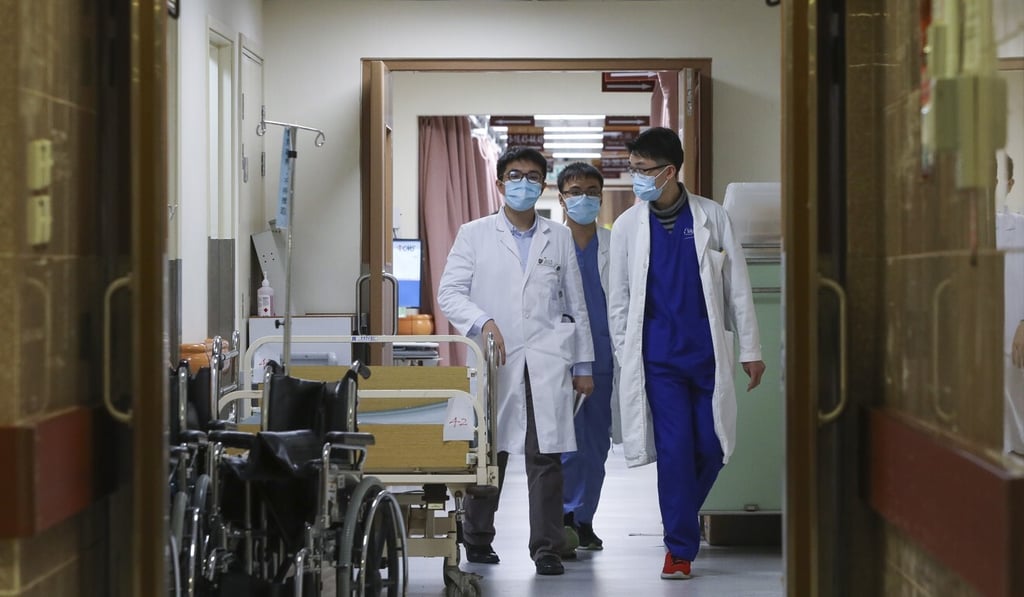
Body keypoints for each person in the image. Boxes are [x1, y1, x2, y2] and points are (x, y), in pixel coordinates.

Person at [607, 127, 766, 580]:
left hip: (707, 352)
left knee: (713, 447)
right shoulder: (626, 227)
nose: (635, 178)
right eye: (633, 169)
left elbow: (737, 286)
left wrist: (751, 348)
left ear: (669, 171)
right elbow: (619, 299)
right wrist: (626, 354)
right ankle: (679, 548)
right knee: (675, 450)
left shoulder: (713, 217)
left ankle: (678, 516)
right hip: (658, 359)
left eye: (642, 170)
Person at [437, 146, 595, 576]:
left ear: (542, 185)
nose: (522, 183)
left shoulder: (558, 236)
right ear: (500, 182)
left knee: (546, 455)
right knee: (492, 451)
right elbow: (449, 293)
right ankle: (477, 537)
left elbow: (575, 304)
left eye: (531, 176)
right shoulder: (474, 233)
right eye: (514, 175)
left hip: (547, 359)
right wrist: (482, 320)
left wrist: (583, 366)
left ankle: (546, 546)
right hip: (496, 361)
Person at [554, 162, 617, 558]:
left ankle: (584, 520)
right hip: (559, 359)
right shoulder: (549, 243)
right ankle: (559, 517)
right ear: (561, 197)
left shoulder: (614, 244)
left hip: (605, 358)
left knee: (595, 445)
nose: (584, 197)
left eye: (592, 191)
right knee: (561, 443)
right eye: (576, 190)